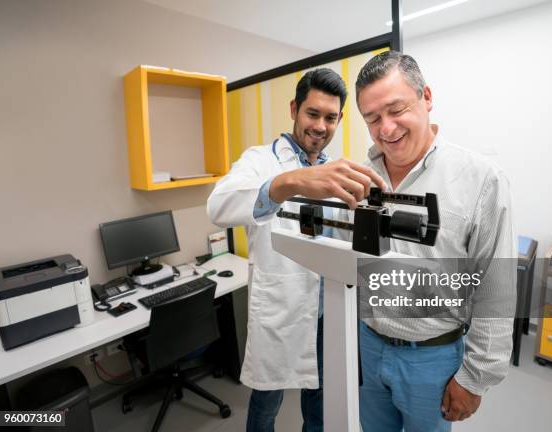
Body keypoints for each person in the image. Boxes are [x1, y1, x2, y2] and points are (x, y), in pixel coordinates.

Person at [208, 68, 387, 432]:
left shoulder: (339, 171)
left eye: (331, 117)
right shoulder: (261, 160)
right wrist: (289, 182)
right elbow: (218, 207)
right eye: (312, 113)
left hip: (329, 311)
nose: (321, 126)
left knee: (320, 404)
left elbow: (345, 239)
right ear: (294, 109)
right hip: (282, 309)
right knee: (265, 406)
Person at [354, 51, 516, 431]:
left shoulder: (480, 180)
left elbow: (496, 287)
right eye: (372, 118)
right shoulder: (361, 179)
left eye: (396, 110)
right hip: (368, 344)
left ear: (426, 97)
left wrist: (474, 379)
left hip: (432, 358)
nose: (386, 128)